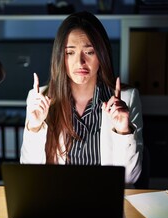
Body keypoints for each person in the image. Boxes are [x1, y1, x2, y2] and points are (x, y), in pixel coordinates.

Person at [20, 11, 143, 187]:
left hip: (104, 199)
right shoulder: (40, 99)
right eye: (70, 53)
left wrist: (123, 130)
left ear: (102, 55)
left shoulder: (127, 98)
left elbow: (129, 179)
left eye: (90, 52)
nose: (80, 62)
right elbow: (30, 176)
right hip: (58, 198)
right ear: (60, 58)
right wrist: (34, 127)